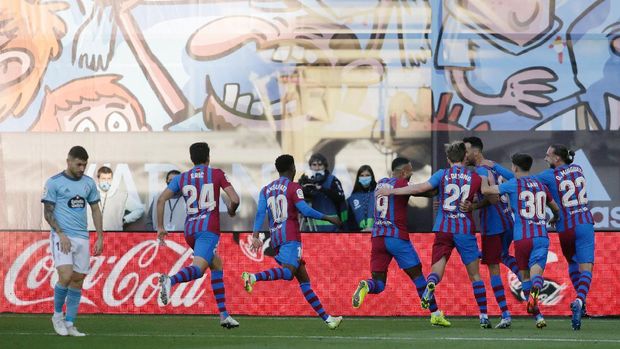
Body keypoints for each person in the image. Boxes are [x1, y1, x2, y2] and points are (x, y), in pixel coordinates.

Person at [377, 142, 489, 328]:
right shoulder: (475, 177)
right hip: (464, 230)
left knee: (437, 270)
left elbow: (419, 188)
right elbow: (487, 197)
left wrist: (392, 191)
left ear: (448, 159)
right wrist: (473, 204)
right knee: (475, 275)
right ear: (464, 157)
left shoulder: (442, 174)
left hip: (443, 229)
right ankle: (484, 316)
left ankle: (431, 284)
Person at [492, 144, 595, 330]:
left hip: (564, 227)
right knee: (586, 267)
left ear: (557, 159)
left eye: (548, 156)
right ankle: (580, 301)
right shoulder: (578, 168)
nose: (545, 158)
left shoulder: (548, 176)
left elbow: (521, 180)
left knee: (572, 264)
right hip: (584, 223)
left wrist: (494, 166)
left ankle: (569, 306)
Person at [241, 154, 343, 329]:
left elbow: (260, 214)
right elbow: (304, 210)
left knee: (304, 281)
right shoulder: (293, 187)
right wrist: (329, 217)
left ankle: (328, 319)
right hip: (291, 237)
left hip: (277, 237)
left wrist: (256, 236)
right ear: (292, 168)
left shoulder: (266, 189)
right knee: (288, 273)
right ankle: (252, 277)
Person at [352, 157, 451, 327]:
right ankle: (435, 314)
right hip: (396, 238)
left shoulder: (381, 183)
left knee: (379, 283)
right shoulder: (401, 184)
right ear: (404, 172)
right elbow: (427, 192)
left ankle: (366, 285)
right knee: (419, 278)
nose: (411, 175)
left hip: (377, 239)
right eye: (410, 172)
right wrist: (441, 182)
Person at [157, 142, 240, 329]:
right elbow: (235, 199)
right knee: (199, 269)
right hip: (207, 230)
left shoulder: (182, 177)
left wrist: (160, 227)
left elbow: (161, 199)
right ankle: (170, 280)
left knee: (216, 264)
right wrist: (231, 209)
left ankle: (224, 315)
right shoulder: (216, 174)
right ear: (208, 158)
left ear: (191, 159)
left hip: (190, 231)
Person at [481, 153, 560, 329]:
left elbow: (487, 192)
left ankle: (537, 315)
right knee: (536, 275)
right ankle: (537, 308)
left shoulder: (513, 184)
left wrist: (483, 177)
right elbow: (555, 208)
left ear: (515, 167)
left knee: (524, 277)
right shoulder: (541, 185)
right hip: (541, 236)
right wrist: (554, 218)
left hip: (522, 238)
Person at [42, 146, 103, 337]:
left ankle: (70, 323)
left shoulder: (88, 183)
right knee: (66, 276)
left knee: (77, 280)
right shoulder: (54, 182)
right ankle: (57, 316)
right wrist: (60, 234)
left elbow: (95, 209)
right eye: (79, 164)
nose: (82, 168)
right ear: (68, 161)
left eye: (84, 164)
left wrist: (100, 236)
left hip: (82, 237)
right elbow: (48, 212)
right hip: (63, 236)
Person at [462, 136, 516, 328]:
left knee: (493, 268)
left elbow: (491, 198)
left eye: (466, 151)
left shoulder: (481, 171)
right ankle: (525, 277)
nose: (464, 154)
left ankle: (506, 314)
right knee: (501, 256)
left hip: (493, 225)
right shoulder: (494, 165)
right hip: (508, 219)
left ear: (475, 152)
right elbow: (516, 179)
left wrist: (473, 206)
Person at [298, 153, 346, 231]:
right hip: (311, 227)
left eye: (320, 165)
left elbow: (340, 198)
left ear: (325, 166)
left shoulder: (332, 180)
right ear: (310, 166)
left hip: (331, 226)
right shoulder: (306, 181)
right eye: (314, 165)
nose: (317, 168)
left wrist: (322, 189)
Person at [87, 166, 144, 231]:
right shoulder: (88, 195)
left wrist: (125, 220)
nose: (106, 181)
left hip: (114, 236)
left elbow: (140, 209)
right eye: (103, 178)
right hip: (92, 235)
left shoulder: (121, 196)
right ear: (98, 179)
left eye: (109, 178)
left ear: (112, 179)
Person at [346, 165, 377, 231]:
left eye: (367, 175)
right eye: (362, 175)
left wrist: (373, 229)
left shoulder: (378, 193)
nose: (364, 178)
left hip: (376, 234)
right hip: (359, 236)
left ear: (372, 177)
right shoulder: (353, 198)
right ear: (358, 178)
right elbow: (350, 221)